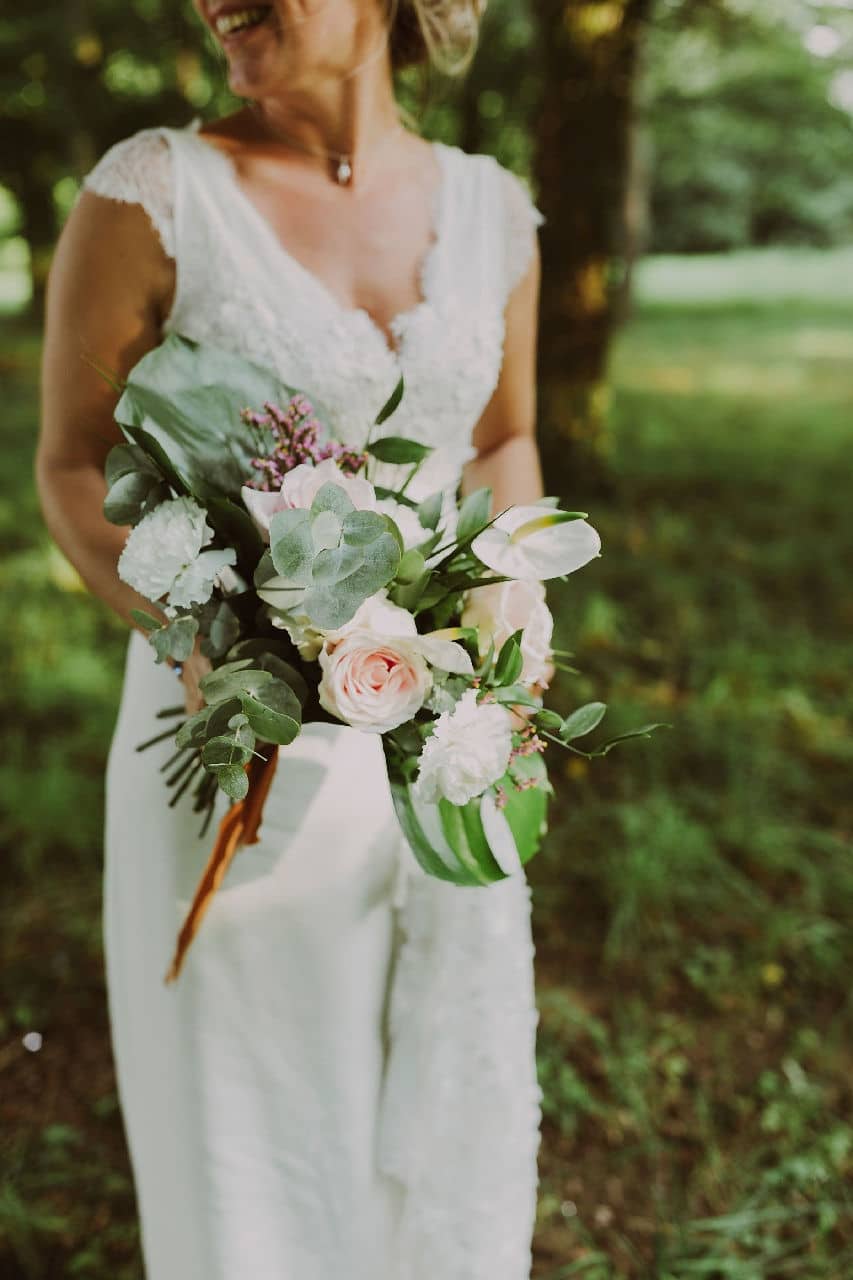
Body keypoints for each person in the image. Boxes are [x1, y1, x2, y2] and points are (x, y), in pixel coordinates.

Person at [36, 1, 549, 1276]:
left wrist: (506, 610)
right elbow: (67, 463)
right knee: (253, 1124)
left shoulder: (495, 210)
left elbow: (499, 437)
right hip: (232, 743)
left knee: (433, 1089)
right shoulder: (154, 195)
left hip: (444, 733)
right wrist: (206, 633)